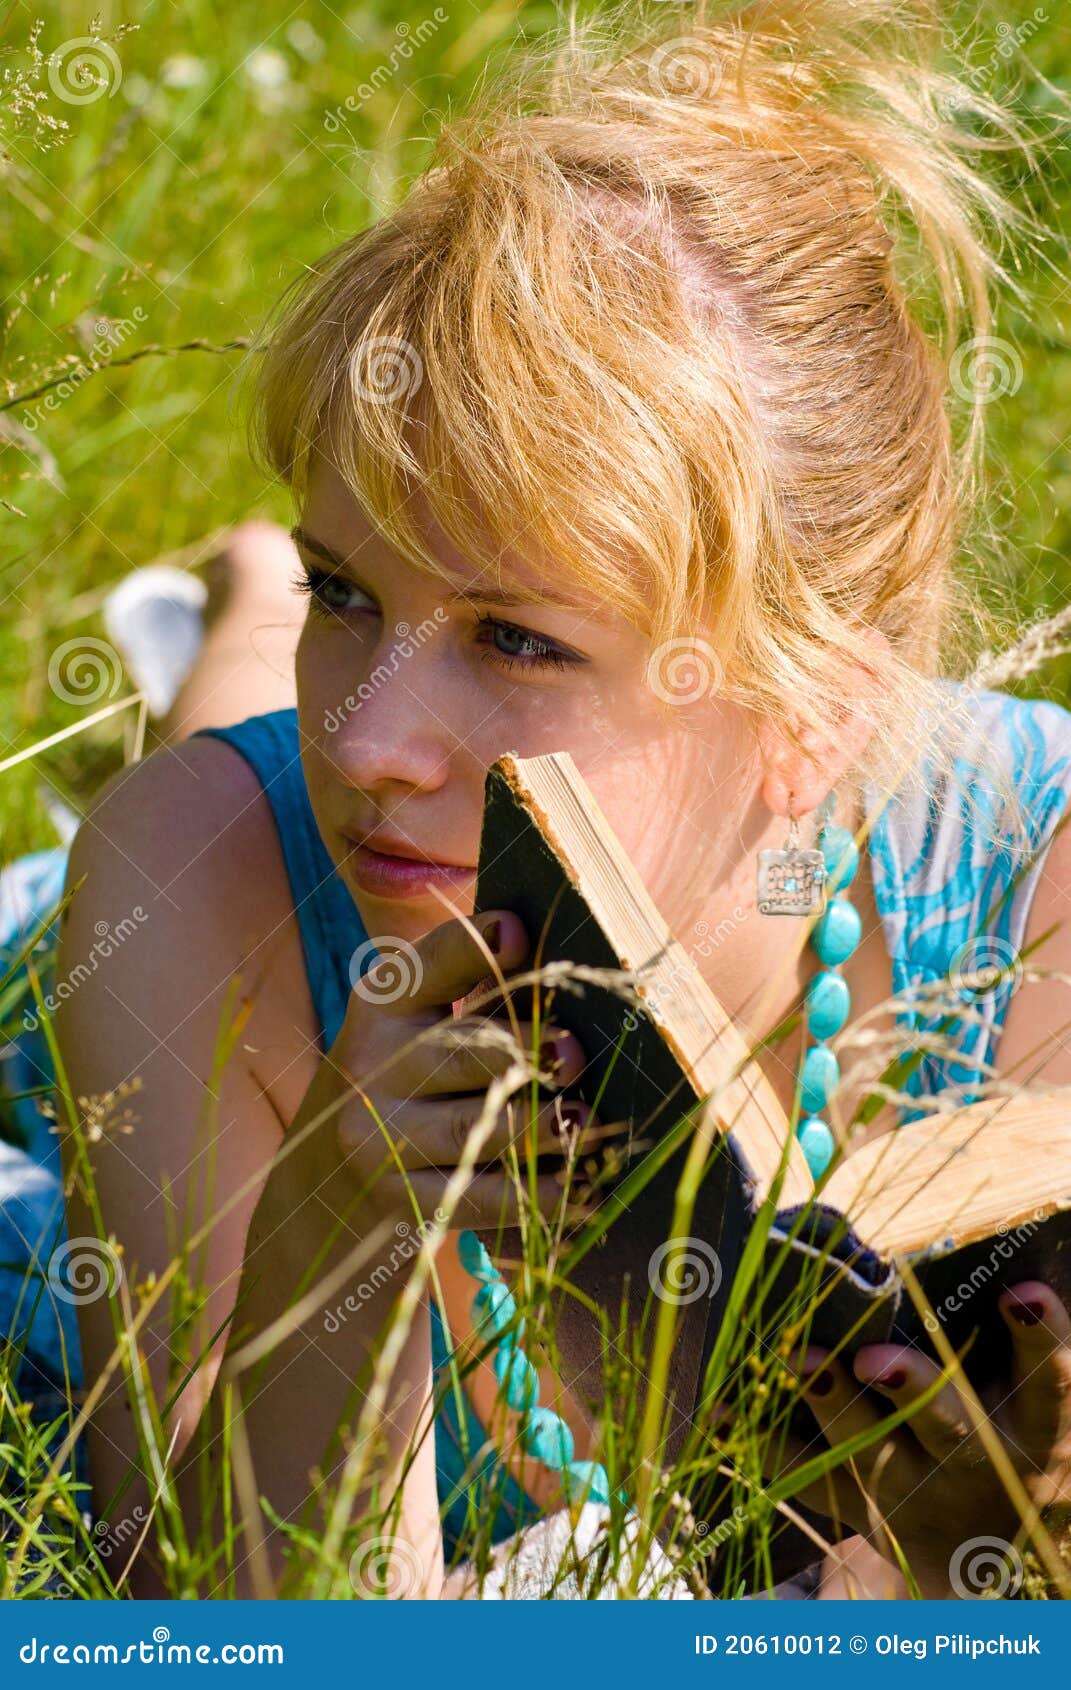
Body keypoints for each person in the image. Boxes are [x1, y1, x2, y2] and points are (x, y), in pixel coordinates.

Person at [9, 1, 1071, 1601]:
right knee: (231, 781)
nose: (371, 738)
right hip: (131, 942)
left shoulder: (1034, 879)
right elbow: (243, 1609)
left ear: (815, 708)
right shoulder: (190, 877)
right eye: (340, 584)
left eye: (517, 635)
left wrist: (954, 1577)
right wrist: (333, 1244)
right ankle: (236, 609)